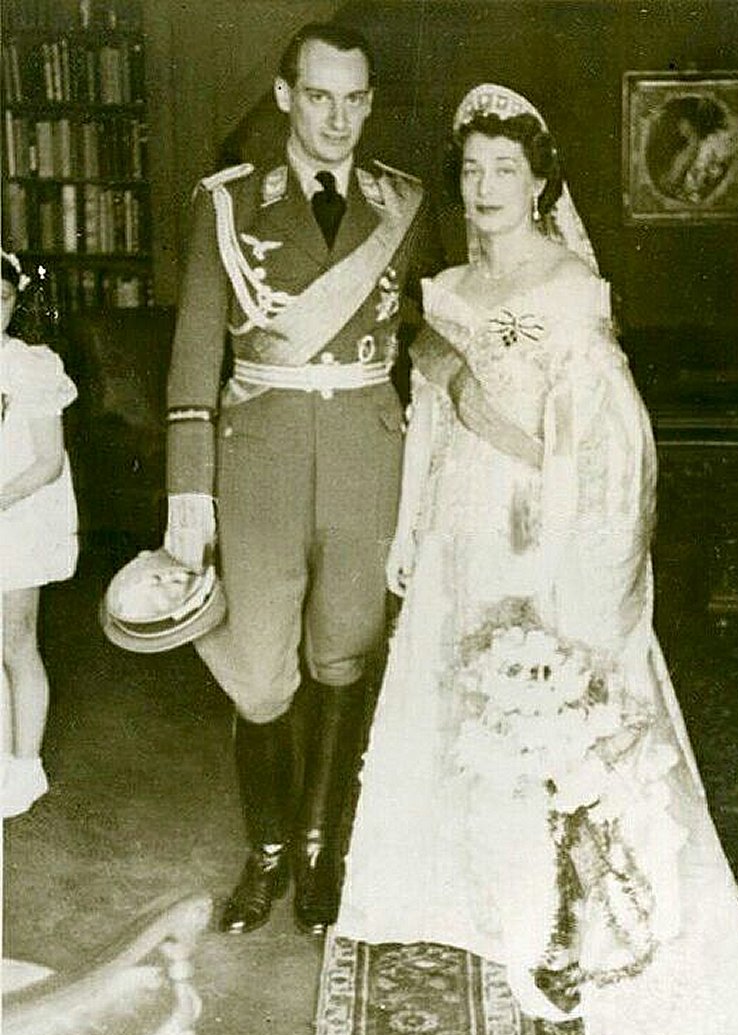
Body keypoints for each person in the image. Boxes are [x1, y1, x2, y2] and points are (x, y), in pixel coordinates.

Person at [331, 85, 738, 1035]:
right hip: (455, 520)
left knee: (532, 709)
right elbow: (427, 414)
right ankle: (453, 884)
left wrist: (486, 419)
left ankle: (548, 901)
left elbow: (600, 447)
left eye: (507, 169)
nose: (485, 186)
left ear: (543, 184)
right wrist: (409, 524)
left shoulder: (567, 292)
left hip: (529, 532)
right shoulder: (448, 286)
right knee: (448, 696)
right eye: (472, 169)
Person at [164, 22, 433, 936]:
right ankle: (267, 850)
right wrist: (186, 492)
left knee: (343, 656)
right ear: (284, 96)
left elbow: (428, 338)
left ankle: (319, 851)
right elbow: (197, 347)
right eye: (319, 96)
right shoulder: (228, 204)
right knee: (259, 675)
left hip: (368, 453)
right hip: (260, 464)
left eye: (355, 99)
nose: (339, 118)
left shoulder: (403, 202)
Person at [1, 250, 79, 819]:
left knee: (15, 639)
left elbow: (48, 460)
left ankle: (26, 766)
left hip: (17, 515)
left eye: (2, 299)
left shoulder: (28, 364)